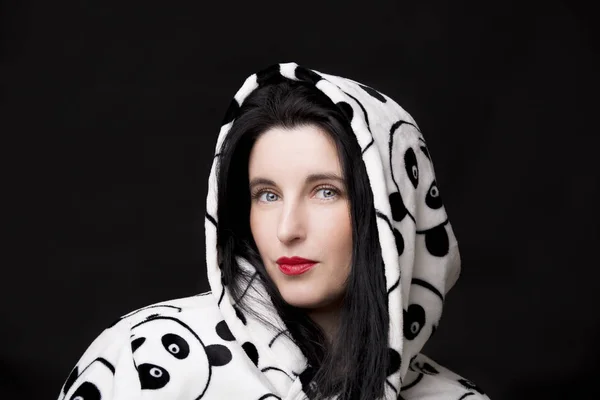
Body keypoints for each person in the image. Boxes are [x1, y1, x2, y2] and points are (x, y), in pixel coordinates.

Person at [57, 62, 490, 400]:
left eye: (325, 192)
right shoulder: (149, 354)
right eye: (267, 195)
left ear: (394, 211)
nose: (287, 229)